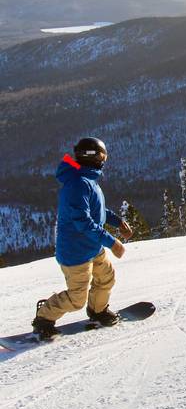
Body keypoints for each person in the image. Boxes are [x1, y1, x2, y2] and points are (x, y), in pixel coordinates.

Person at [32, 137, 133, 338]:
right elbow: (83, 221)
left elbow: (97, 210)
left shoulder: (86, 178)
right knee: (77, 297)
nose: (105, 159)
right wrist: (112, 242)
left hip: (92, 246)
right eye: (103, 155)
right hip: (75, 252)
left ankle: (98, 310)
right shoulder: (78, 183)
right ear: (93, 157)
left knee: (106, 278)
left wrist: (117, 222)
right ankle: (44, 318)